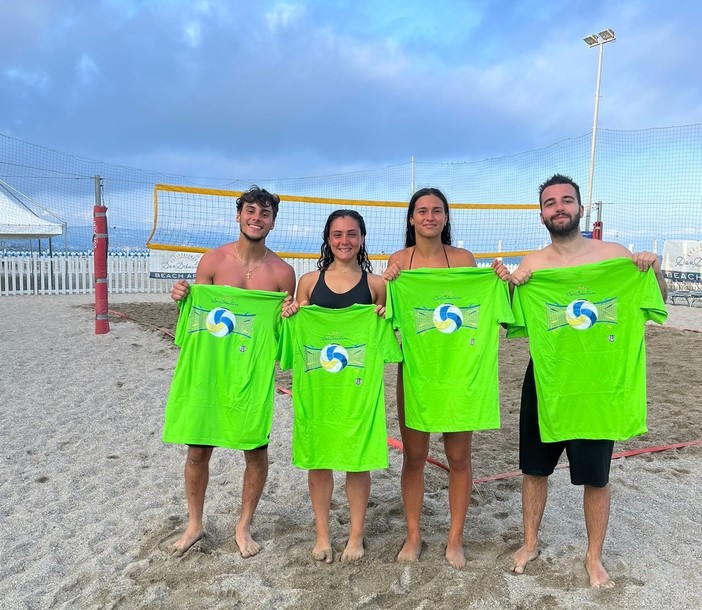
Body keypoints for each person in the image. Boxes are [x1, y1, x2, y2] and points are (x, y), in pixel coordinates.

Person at [508, 174, 667, 587]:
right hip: (547, 380)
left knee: (597, 477)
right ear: (541, 213)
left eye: (566, 201)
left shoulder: (615, 256)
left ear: (581, 208)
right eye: (550, 203)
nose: (558, 208)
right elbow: (511, 321)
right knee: (534, 470)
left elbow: (656, 302)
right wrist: (511, 287)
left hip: (599, 385)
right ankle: (530, 542)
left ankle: (594, 558)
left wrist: (654, 268)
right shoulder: (533, 266)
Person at [383, 187, 511, 569]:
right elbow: (383, 315)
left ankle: (455, 539)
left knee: (458, 459)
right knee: (415, 458)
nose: (429, 217)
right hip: (418, 372)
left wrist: (500, 279)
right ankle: (414, 535)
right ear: (411, 218)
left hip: (459, 373)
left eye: (437, 210)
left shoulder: (462, 259)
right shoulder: (398, 263)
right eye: (422, 211)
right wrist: (387, 282)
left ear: (446, 218)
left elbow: (487, 305)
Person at [166, 185, 296, 558]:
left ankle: (243, 527)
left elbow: (284, 332)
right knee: (197, 449)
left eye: (265, 213)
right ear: (238, 215)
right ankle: (195, 524)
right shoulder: (212, 262)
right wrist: (181, 299)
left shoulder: (282, 273)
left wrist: (288, 315)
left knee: (255, 450)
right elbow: (193, 323)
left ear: (273, 221)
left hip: (251, 374)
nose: (257, 218)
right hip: (208, 370)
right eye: (251, 211)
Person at [281, 209, 400, 563]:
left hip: (358, 392)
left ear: (362, 238)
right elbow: (292, 335)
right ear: (327, 239)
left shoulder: (377, 285)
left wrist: (385, 318)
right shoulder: (307, 282)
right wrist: (289, 315)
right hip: (318, 390)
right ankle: (322, 535)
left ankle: (356, 536)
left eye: (351, 234)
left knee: (356, 461)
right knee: (319, 461)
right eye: (337, 234)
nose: (344, 241)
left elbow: (392, 340)